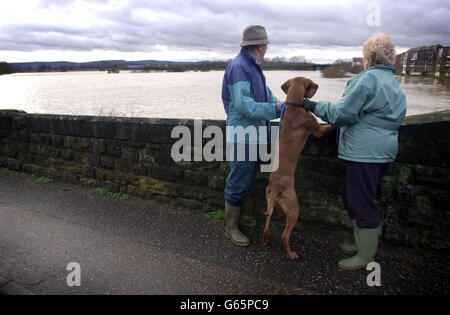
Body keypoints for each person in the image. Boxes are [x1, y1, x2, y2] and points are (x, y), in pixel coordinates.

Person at [301, 33, 407, 270]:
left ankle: (366, 257)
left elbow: (341, 114)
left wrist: (312, 106)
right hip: (385, 149)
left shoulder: (367, 80)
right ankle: (361, 245)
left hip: (365, 152)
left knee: (361, 201)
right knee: (356, 196)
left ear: (368, 57)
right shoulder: (394, 84)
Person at [221, 25, 283, 247]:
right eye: (266, 43)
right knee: (238, 181)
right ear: (260, 45)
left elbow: (266, 95)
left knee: (247, 179)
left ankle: (238, 217)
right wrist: (276, 109)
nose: (267, 47)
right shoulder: (240, 67)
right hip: (243, 136)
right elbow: (244, 105)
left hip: (254, 134)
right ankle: (230, 227)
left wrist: (282, 104)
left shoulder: (253, 66)